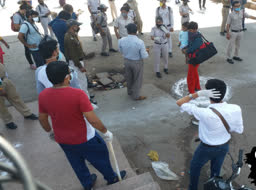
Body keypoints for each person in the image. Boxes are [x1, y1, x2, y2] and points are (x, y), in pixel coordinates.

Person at [38, 61, 126, 190]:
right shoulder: (78, 94)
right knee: (100, 157)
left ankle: (87, 183)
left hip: (63, 139)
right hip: (85, 138)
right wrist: (105, 131)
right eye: (69, 73)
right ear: (66, 77)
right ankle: (111, 177)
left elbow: (42, 118)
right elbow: (93, 120)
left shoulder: (43, 95)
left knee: (76, 162)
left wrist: (49, 131)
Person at [176, 78, 244, 190]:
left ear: (208, 94)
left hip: (206, 148)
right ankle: (214, 186)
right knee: (216, 170)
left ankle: (193, 188)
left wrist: (198, 94)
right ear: (224, 93)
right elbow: (239, 130)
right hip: (224, 146)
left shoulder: (204, 112)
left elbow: (179, 102)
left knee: (195, 167)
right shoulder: (236, 108)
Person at [0, 63, 38, 130]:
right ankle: (8, 121)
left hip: (4, 79)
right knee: (1, 105)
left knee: (15, 97)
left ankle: (26, 113)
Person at [118, 23, 148, 100]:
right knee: (137, 79)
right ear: (136, 31)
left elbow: (120, 51)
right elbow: (144, 56)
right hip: (137, 62)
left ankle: (129, 92)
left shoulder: (121, 40)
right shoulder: (139, 42)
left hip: (127, 61)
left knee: (129, 77)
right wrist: (147, 51)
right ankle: (136, 96)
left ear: (127, 31)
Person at [13, 4, 36, 69]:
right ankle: (31, 63)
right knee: (27, 49)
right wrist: (26, 25)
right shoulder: (16, 16)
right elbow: (16, 26)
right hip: (23, 34)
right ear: (23, 10)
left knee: (32, 47)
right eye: (26, 11)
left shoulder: (23, 14)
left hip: (28, 33)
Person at [185, 21, 202, 93]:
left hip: (194, 58)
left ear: (195, 29)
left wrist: (186, 50)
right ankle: (197, 87)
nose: (189, 31)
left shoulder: (197, 38)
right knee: (194, 73)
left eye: (190, 30)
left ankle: (191, 91)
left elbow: (192, 48)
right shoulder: (194, 35)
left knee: (190, 75)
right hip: (194, 57)